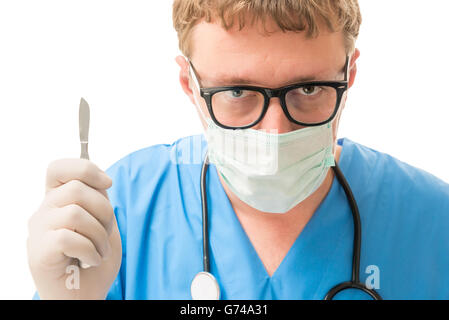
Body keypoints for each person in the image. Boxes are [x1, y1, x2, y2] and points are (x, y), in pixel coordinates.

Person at [27, 0, 449, 300]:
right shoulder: (122, 212)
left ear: (350, 73)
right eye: (237, 91)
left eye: (308, 89)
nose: (274, 131)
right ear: (190, 85)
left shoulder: (433, 222)